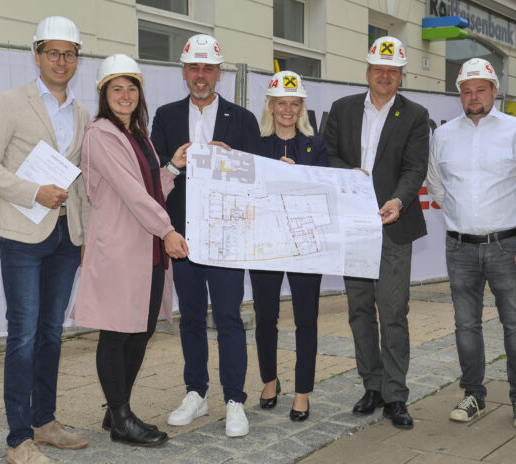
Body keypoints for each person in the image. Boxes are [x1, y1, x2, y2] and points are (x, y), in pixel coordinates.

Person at [0, 16, 89, 463]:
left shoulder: (81, 113)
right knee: (23, 334)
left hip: (64, 234)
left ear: (78, 59)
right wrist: (32, 191)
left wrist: (86, 233)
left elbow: (79, 181)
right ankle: (18, 438)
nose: (62, 61)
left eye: (70, 53)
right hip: (24, 233)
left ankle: (45, 422)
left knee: (52, 334)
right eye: (53, 52)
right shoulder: (10, 102)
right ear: (37, 56)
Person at [73, 54, 190, 446]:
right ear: (104, 94)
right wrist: (168, 230)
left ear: (140, 93)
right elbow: (131, 194)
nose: (125, 95)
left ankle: (114, 408)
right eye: (116, 89)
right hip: (122, 249)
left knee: (139, 332)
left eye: (131, 88)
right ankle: (122, 421)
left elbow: (151, 187)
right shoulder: (102, 134)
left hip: (147, 250)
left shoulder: (136, 135)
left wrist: (172, 168)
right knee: (116, 334)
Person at [150, 34, 260, 437]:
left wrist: (233, 162)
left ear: (219, 73)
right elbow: (154, 172)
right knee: (191, 318)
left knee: (229, 318)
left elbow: (257, 176)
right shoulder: (165, 116)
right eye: (194, 68)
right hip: (182, 238)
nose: (201, 75)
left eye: (208, 68)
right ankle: (195, 393)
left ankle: (234, 401)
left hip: (227, 237)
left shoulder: (242, 119)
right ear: (184, 72)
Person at [323, 36, 429, 429]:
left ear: (401, 77)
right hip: (354, 225)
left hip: (392, 225)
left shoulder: (416, 115)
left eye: (393, 71)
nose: (385, 76)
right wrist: (345, 175)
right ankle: (372, 385)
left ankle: (396, 395)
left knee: (393, 312)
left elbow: (415, 168)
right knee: (359, 311)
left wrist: (399, 201)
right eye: (378, 69)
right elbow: (328, 152)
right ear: (367, 72)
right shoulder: (342, 108)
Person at [427, 58, 516, 428]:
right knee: (465, 325)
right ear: (460, 94)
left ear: (495, 91)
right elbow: (436, 185)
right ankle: (474, 395)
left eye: (480, 89)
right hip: (460, 247)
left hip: (507, 245)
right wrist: (463, 217)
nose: (473, 96)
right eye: (466, 90)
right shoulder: (443, 135)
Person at [249, 71, 328, 422]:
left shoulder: (316, 145)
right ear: (270, 105)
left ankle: (301, 392)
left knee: (306, 319)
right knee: (265, 317)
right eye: (282, 103)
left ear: (302, 108)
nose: (288, 109)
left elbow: (327, 192)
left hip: (305, 244)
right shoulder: (254, 144)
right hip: (266, 242)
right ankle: (269, 380)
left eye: (295, 103)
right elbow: (246, 193)